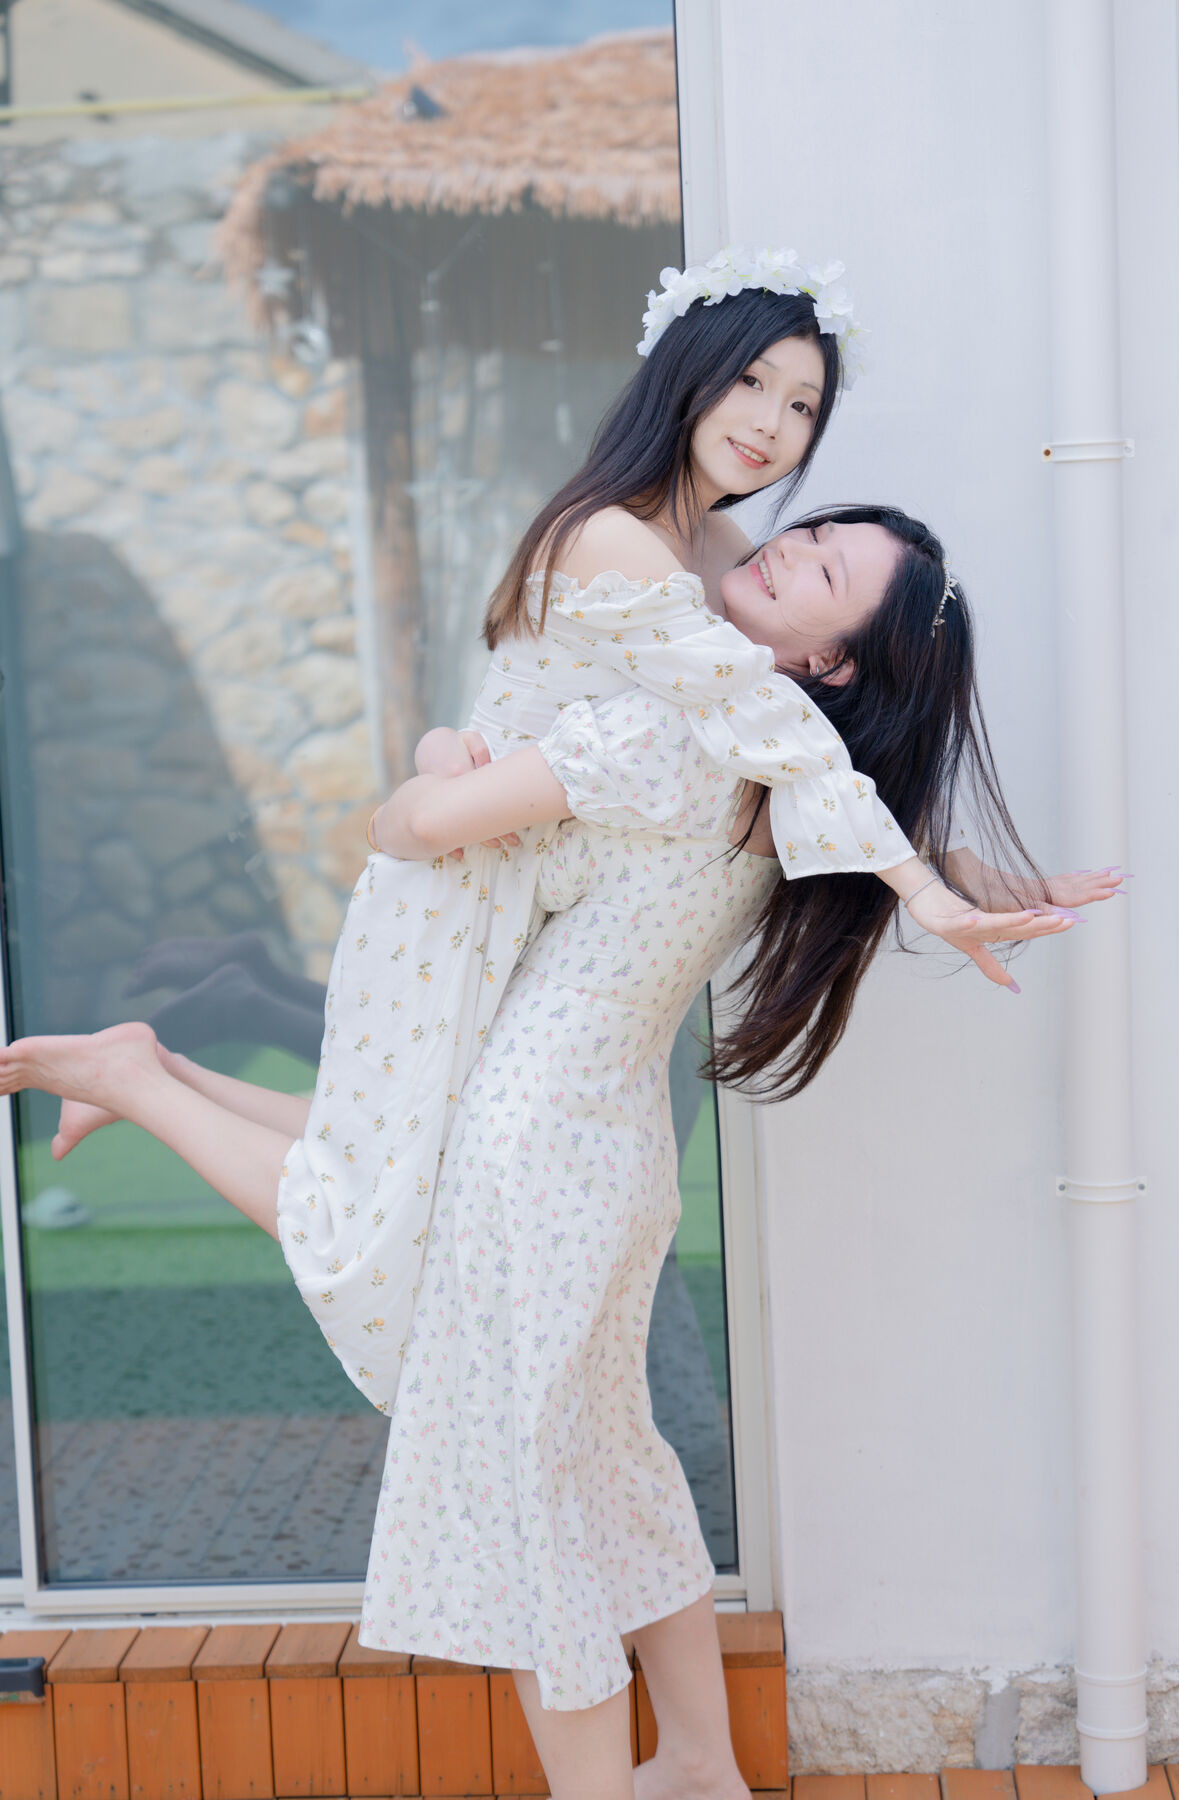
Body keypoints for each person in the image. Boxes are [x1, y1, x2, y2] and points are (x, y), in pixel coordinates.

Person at [0, 501, 1119, 1800]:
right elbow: (860, 809)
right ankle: (698, 1766)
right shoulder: (789, 771)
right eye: (804, 531)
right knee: (606, 1463)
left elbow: (416, 827)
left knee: (519, 1487)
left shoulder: (678, 733)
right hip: (599, 1146)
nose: (777, 550)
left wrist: (442, 754)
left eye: (819, 568)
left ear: (829, 662)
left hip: (535, 1141)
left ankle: (141, 1077)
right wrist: (964, 871)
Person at [52, 250, 1112, 1416]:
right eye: (751, 382)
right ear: (690, 373)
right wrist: (922, 885)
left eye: (803, 405)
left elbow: (799, 743)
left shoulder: (723, 554)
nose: (771, 423)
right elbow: (770, 723)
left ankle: (151, 1068)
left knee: (408, 1165)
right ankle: (138, 1082)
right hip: (455, 888)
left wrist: (954, 868)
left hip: (531, 878)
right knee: (382, 1225)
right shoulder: (619, 539)